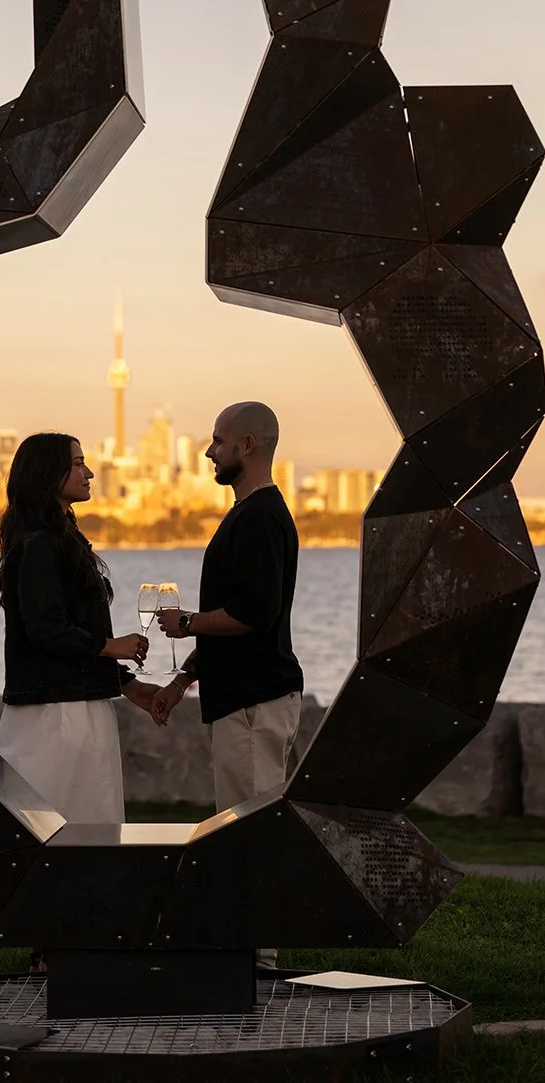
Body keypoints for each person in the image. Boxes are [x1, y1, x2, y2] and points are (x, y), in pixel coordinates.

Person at [152, 401, 303, 969]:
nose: (208, 451)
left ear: (248, 445)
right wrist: (183, 679)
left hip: (254, 701)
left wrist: (186, 622)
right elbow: (236, 618)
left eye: (217, 441)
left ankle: (258, 962)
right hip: (239, 696)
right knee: (237, 827)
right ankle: (246, 953)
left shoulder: (260, 518)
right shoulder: (247, 515)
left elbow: (252, 615)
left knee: (250, 831)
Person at [0, 431, 157, 829]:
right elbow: (46, 629)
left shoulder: (60, 538)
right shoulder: (40, 544)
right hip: (55, 715)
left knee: (86, 828)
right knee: (60, 830)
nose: (90, 474)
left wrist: (125, 682)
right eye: (79, 464)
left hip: (74, 705)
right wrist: (111, 646)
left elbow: (71, 630)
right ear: (49, 473)